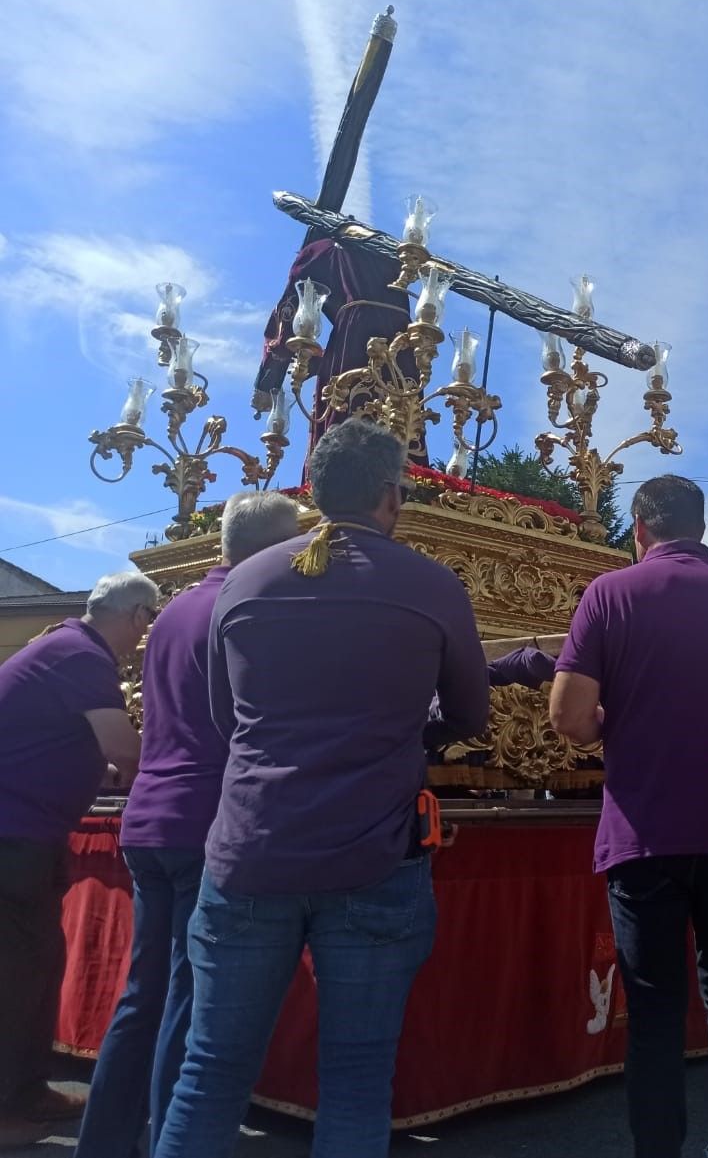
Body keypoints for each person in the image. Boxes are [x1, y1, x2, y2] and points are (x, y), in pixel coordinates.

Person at [153, 420, 490, 1158]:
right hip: (373, 858)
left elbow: (225, 717)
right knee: (357, 1078)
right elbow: (471, 712)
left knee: (210, 1071)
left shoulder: (244, 581)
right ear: (390, 494)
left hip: (250, 852)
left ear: (313, 493)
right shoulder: (431, 584)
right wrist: (409, 730)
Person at [551, 474, 708, 1158]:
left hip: (645, 829)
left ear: (638, 530)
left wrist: (617, 717)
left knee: (653, 1009)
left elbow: (569, 715)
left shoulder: (610, 592)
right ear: (701, 528)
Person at [77, 493, 301, 1158]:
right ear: (272, 549)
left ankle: (104, 1141)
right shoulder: (251, 608)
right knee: (189, 995)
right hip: (206, 820)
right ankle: (170, 1142)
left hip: (150, 815)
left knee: (144, 995)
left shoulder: (171, 611)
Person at [0, 572, 154, 1146]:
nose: (143, 638)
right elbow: (123, 748)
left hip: (24, 835)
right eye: (147, 624)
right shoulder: (83, 658)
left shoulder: (63, 645)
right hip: (13, 837)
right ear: (137, 616)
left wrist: (102, 770)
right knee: (15, 973)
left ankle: (26, 1088)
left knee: (37, 963)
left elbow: (86, 748)